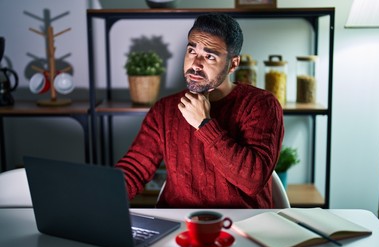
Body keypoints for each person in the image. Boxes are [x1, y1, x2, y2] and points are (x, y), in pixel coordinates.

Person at [115, 13, 284, 208]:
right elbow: (134, 169)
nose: (195, 64)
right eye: (191, 51)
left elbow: (253, 181)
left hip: (242, 225)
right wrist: (99, 200)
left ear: (233, 64)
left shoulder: (261, 105)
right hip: (180, 226)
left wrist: (204, 125)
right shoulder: (165, 109)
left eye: (210, 56)